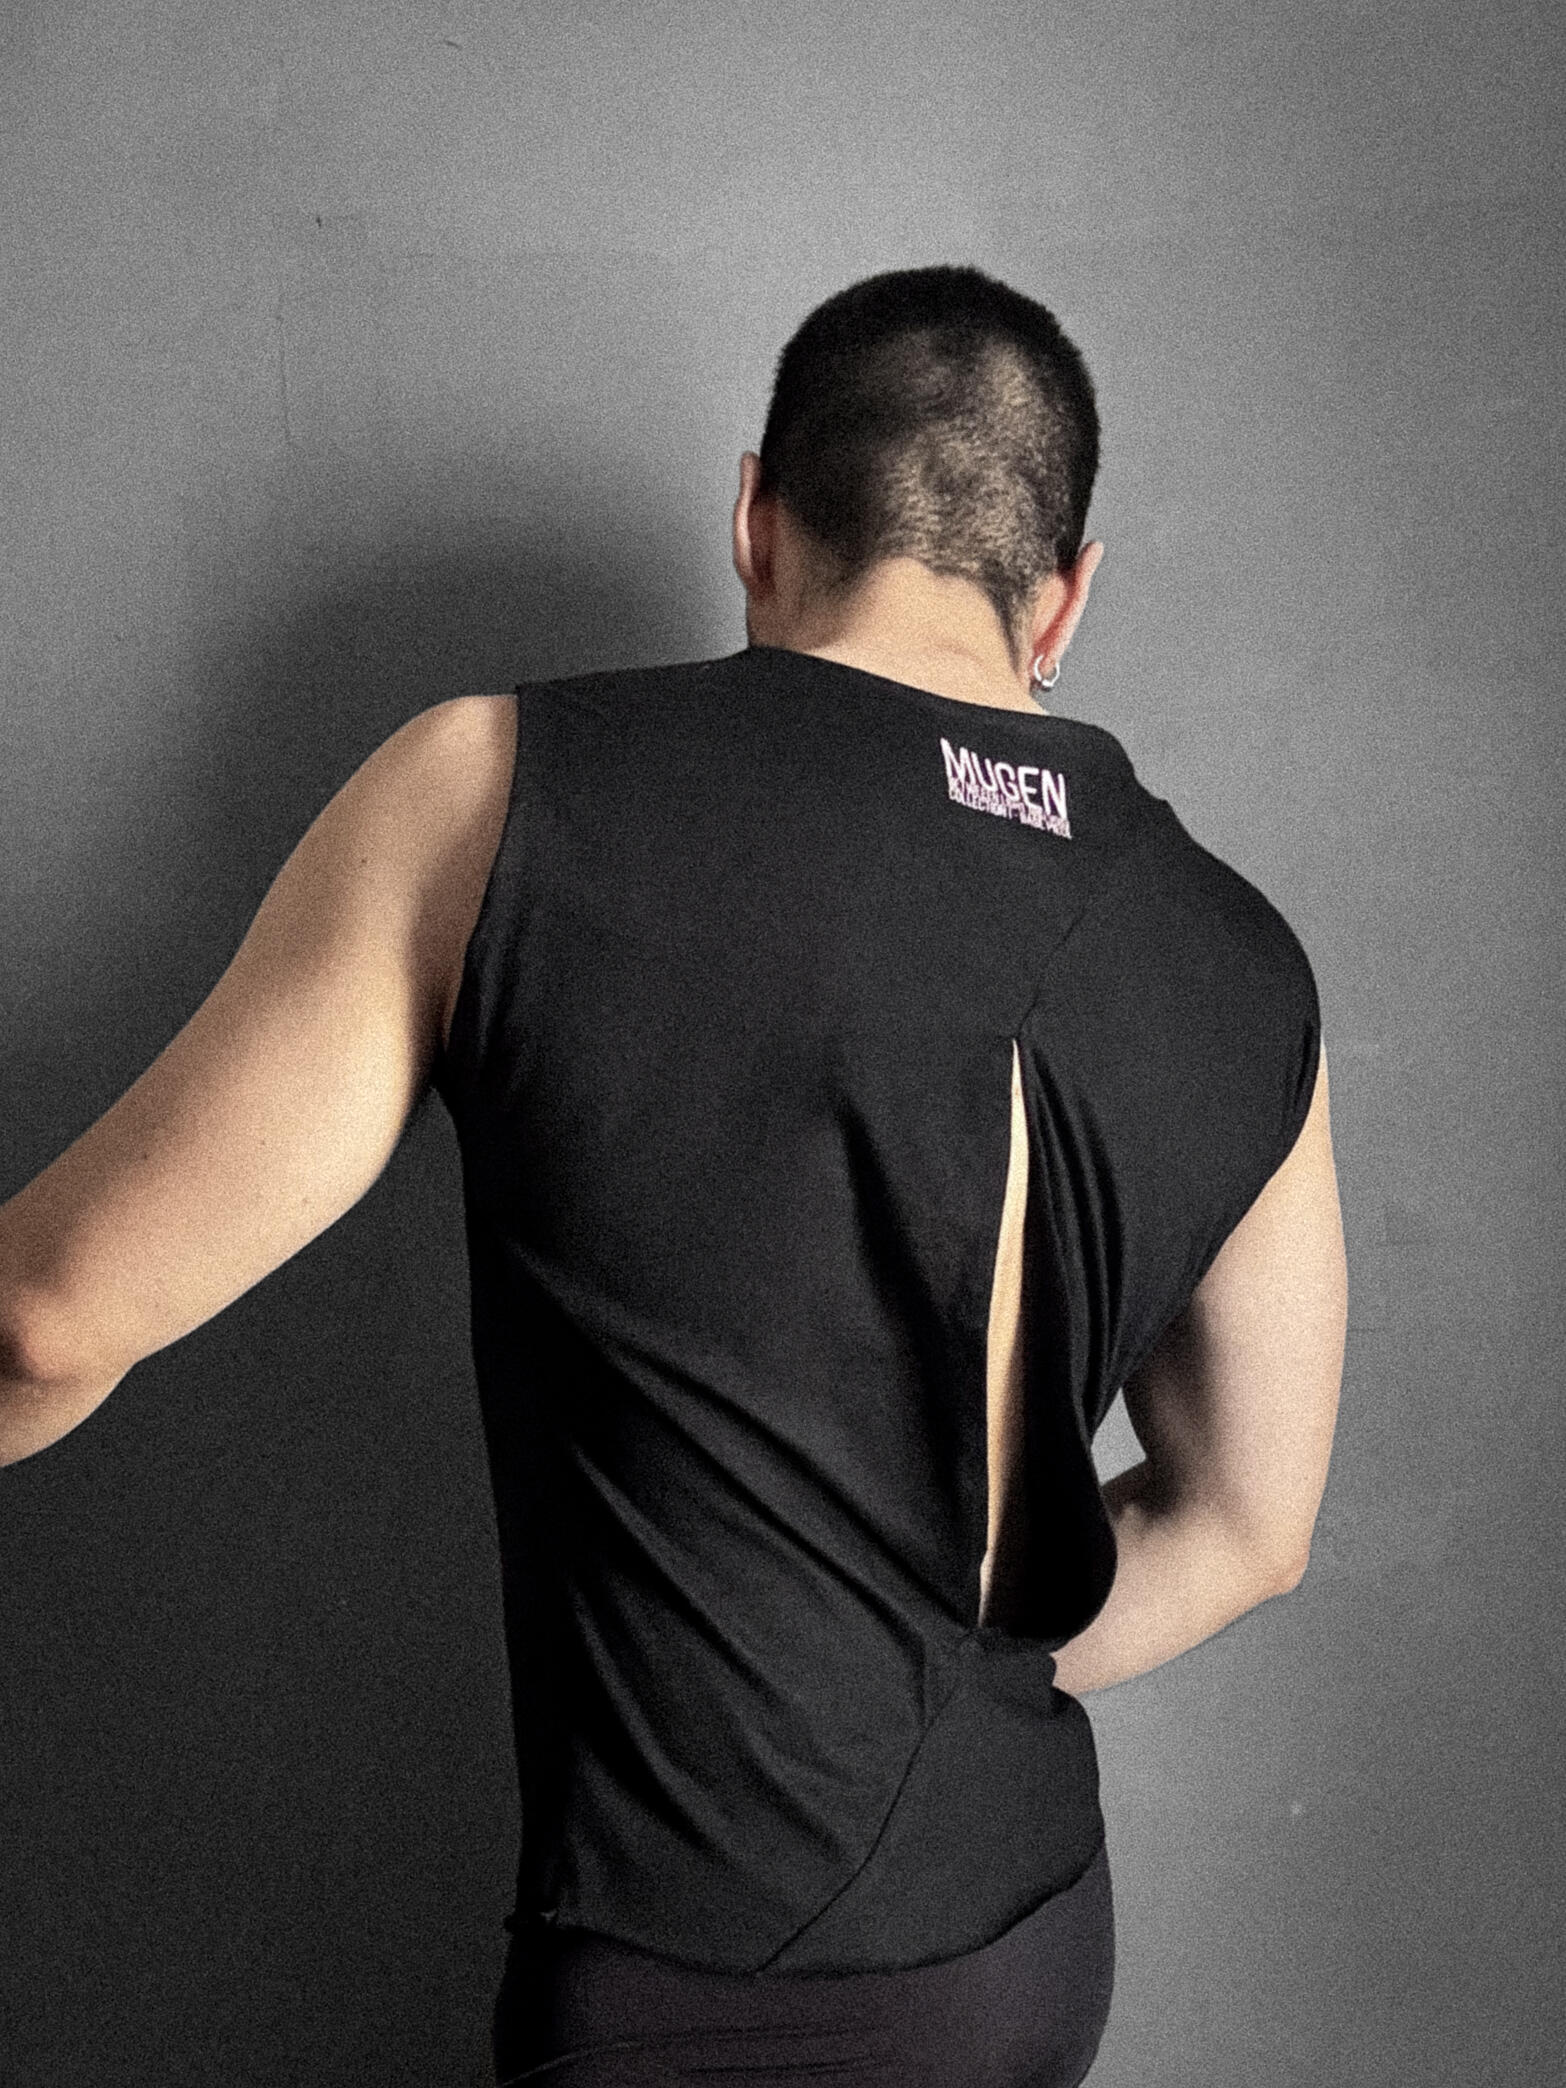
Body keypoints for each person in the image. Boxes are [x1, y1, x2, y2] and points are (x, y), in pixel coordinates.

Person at [0, 266, 1347, 2086]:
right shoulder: (1244, 962)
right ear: (1063, 599)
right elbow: (1249, 1529)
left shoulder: (499, 787)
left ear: (754, 521)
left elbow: (48, 1318)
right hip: (1032, 1942)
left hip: (698, 1988)